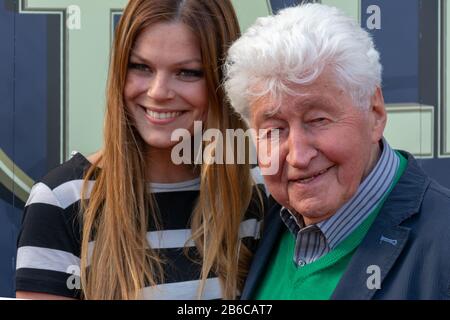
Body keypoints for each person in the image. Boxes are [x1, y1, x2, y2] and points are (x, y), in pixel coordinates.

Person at [16, 0, 266, 300]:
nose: (158, 92)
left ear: (222, 80)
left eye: (187, 72)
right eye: (141, 67)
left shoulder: (259, 191)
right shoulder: (62, 200)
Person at [224, 3, 450, 299]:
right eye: (274, 130)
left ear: (375, 112)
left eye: (318, 120)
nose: (298, 156)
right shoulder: (257, 228)